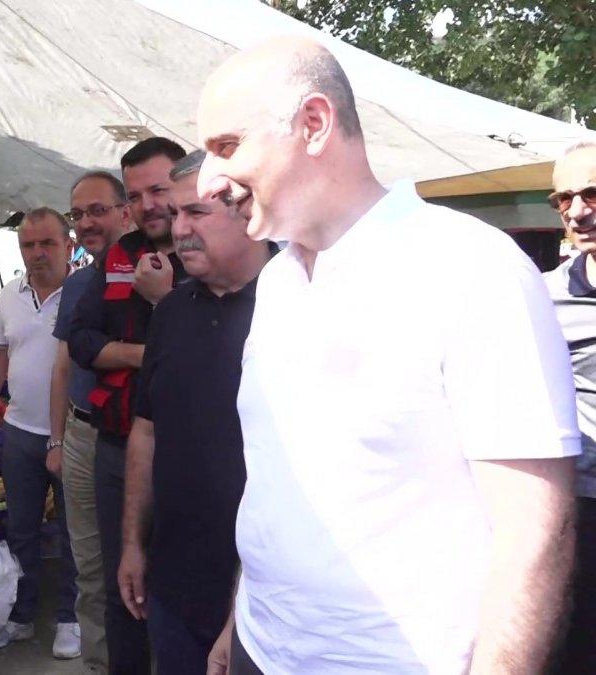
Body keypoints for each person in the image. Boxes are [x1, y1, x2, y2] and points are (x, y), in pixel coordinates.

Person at [197, 37, 579, 674]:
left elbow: (535, 535)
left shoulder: (472, 270)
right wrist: (239, 627)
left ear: (314, 124)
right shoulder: (278, 282)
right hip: (262, 649)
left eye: (227, 147)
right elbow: (277, 485)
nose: (206, 182)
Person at [117, 151, 272, 673]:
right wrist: (134, 544)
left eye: (196, 213)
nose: (178, 229)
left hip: (264, 600)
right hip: (173, 584)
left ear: (248, 211)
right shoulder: (171, 312)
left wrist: (242, 602)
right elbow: (146, 431)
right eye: (176, 214)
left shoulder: (296, 308)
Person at [67, 136, 187, 674]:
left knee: (186, 591)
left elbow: (211, 353)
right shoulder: (122, 254)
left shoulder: (208, 250)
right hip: (118, 445)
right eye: (135, 196)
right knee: (124, 585)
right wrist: (142, 354)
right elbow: (81, 341)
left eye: (158, 190)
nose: (147, 206)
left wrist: (165, 302)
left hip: (188, 454)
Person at [0, 208, 81, 659]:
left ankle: (71, 618)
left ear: (68, 245)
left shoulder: (84, 293)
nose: (37, 253)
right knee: (21, 529)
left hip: (74, 435)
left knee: (76, 533)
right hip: (19, 431)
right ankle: (20, 614)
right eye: (28, 245)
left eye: (47, 243)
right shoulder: (10, 295)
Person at [47, 171, 133, 673]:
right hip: (82, 435)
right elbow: (63, 366)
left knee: (139, 563)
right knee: (91, 566)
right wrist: (57, 441)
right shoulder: (79, 283)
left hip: (137, 438)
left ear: (126, 212)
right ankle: (101, 664)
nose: (86, 223)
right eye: (78, 214)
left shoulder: (155, 273)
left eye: (98, 210)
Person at [542, 139, 596, 675]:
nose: (577, 211)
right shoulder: (543, 297)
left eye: (592, 194)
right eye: (564, 198)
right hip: (581, 512)